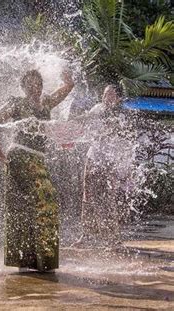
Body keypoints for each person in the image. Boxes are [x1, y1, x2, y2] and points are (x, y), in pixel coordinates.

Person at [0, 69, 74, 272]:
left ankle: (30, 260)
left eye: (39, 84)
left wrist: (68, 80)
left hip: (38, 159)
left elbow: (67, 88)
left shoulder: (46, 103)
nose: (36, 88)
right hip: (20, 156)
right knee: (46, 197)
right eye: (31, 85)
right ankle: (43, 260)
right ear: (23, 87)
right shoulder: (16, 103)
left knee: (25, 208)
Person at [75, 85, 134, 246]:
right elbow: (86, 119)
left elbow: (125, 138)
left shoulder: (122, 114)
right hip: (93, 156)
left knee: (107, 198)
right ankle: (87, 234)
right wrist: (75, 119)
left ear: (118, 98)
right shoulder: (97, 108)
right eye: (104, 93)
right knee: (87, 195)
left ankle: (113, 239)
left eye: (110, 94)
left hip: (110, 160)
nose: (106, 97)